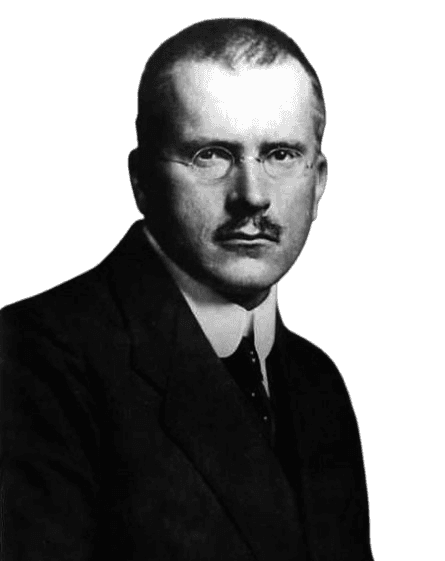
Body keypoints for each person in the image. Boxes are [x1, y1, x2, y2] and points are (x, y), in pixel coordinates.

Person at [0, 18, 374, 561]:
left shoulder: (320, 385)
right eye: (211, 155)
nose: (252, 196)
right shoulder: (28, 361)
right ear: (140, 182)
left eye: (280, 155)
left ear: (318, 183)